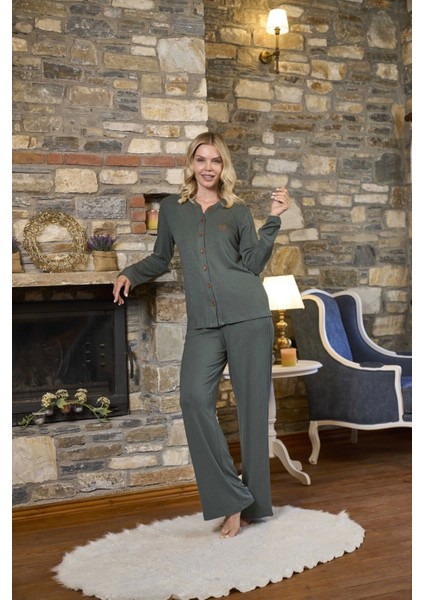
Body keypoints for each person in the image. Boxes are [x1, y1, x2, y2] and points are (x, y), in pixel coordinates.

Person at [113, 132, 291, 538]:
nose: (208, 168)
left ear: (223, 166)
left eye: (215, 160)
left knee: (252, 414)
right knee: (193, 398)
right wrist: (130, 273)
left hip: (249, 315)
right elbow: (161, 258)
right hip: (204, 324)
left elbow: (253, 263)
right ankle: (232, 498)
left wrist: (274, 218)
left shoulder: (237, 210)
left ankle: (254, 507)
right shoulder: (173, 210)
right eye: (201, 160)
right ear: (191, 164)